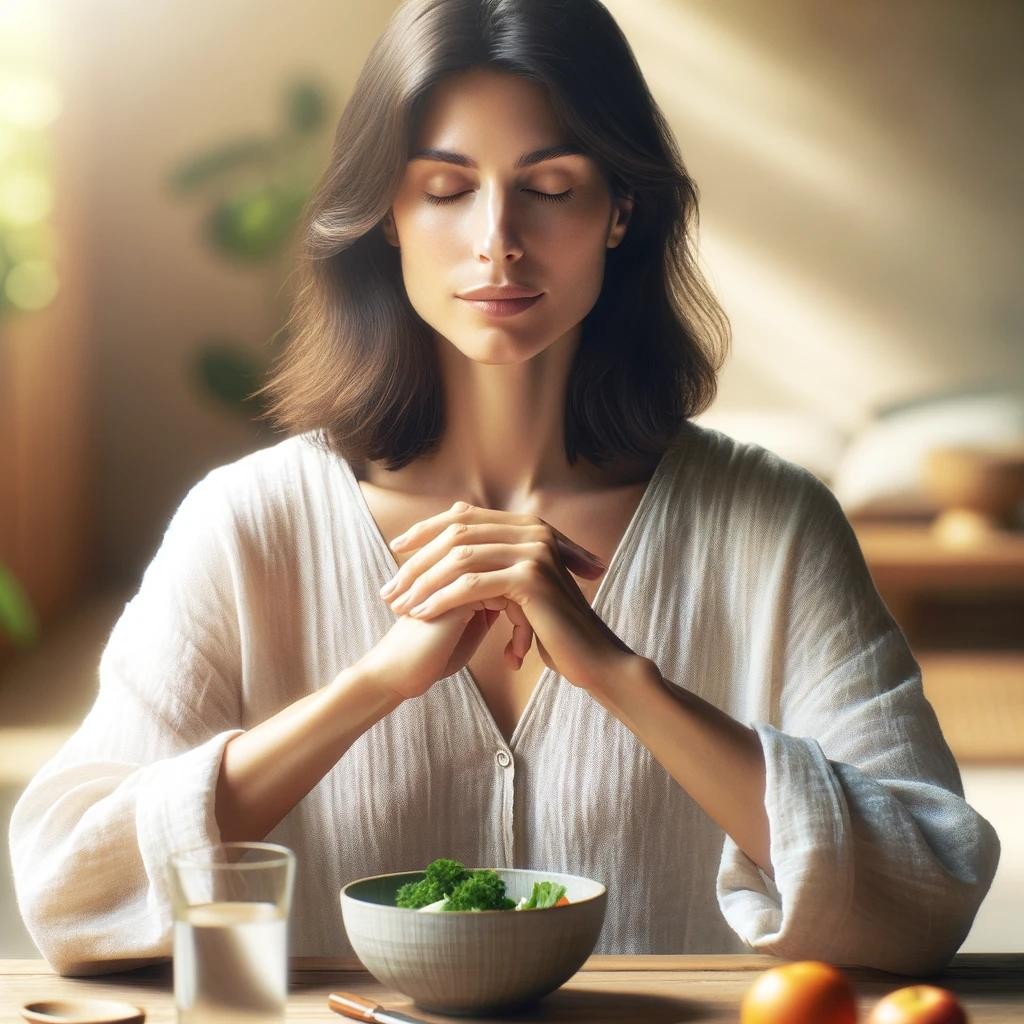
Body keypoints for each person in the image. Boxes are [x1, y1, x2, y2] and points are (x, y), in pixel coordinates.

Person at [10, 0, 998, 978]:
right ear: (386, 217)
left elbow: (926, 890)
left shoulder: (775, 525)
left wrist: (619, 676)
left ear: (621, 210)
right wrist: (375, 683)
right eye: (444, 187)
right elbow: (68, 891)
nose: (497, 240)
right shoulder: (245, 521)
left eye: (551, 186)